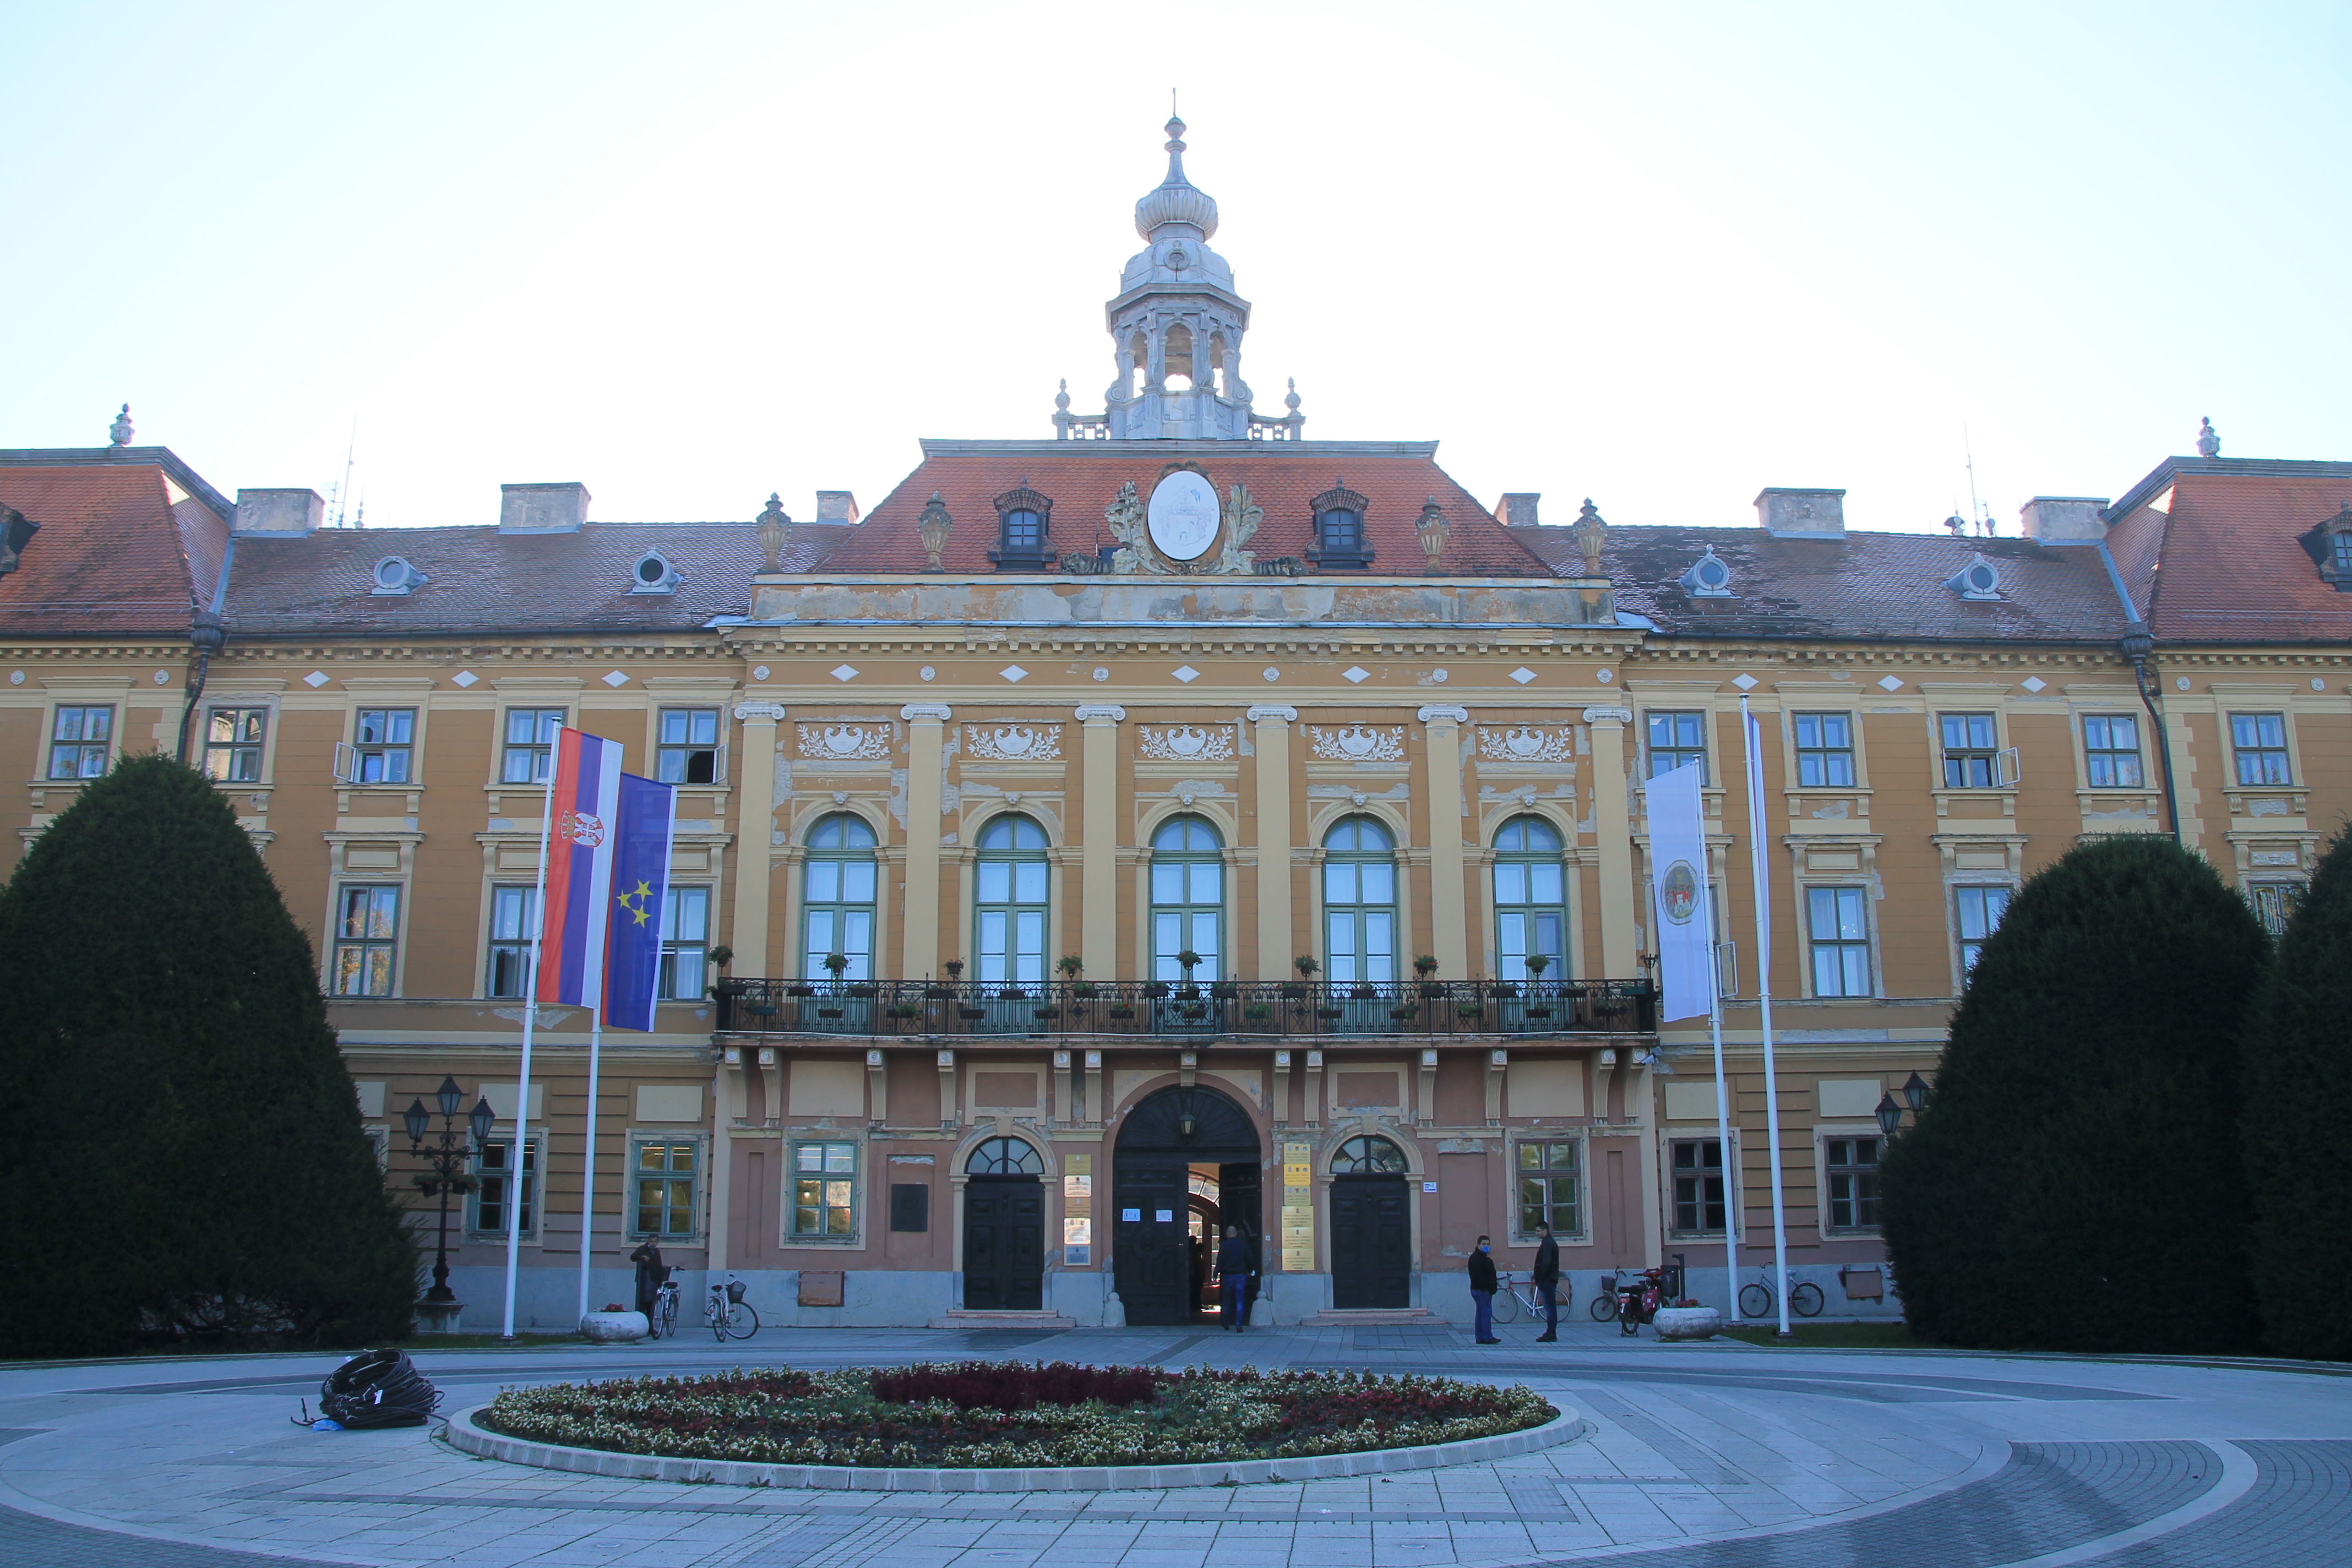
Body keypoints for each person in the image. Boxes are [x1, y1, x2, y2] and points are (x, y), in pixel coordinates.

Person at [1217, 1224, 1254, 1331]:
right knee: (1239, 1300)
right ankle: (1239, 1325)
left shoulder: (1224, 1245)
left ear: (1227, 1234)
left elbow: (1220, 1261)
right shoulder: (1243, 1245)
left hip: (1227, 1276)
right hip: (1240, 1275)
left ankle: (1226, 1323)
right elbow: (1250, 1259)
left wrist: (1215, 1274)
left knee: (1227, 1300)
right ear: (1236, 1233)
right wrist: (1250, 1270)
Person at [1532, 1220, 1561, 1342]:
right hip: (1549, 1279)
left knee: (1550, 1308)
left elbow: (1546, 1263)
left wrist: (1540, 1278)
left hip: (1547, 1280)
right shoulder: (1548, 1242)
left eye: (1539, 1231)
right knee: (1550, 1307)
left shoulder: (1548, 1243)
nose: (1537, 1233)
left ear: (1545, 1231)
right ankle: (1550, 1332)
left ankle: (1551, 1333)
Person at [1468, 1234, 1500, 1343]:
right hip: (1482, 1290)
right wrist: (1487, 1287)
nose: (1486, 1246)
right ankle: (1487, 1336)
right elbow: (1479, 1276)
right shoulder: (1477, 1258)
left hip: (1480, 1289)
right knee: (1486, 1313)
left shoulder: (1484, 1258)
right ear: (1478, 1245)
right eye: (1484, 1244)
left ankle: (1480, 1337)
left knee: (1481, 1313)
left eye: (1488, 1244)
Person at [629, 1238, 667, 1322]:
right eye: (651, 1241)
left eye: (655, 1242)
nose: (653, 1244)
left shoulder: (656, 1251)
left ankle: (650, 1326)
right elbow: (633, 1257)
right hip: (644, 1279)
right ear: (648, 1241)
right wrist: (642, 1257)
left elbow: (659, 1265)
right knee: (643, 1303)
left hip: (654, 1279)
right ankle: (642, 1323)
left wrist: (660, 1281)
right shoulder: (642, 1249)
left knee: (652, 1304)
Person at [1189, 1233, 1210, 1322]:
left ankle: (1196, 1306)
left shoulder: (1192, 1252)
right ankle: (1196, 1306)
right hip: (1194, 1276)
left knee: (1195, 1292)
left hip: (1194, 1275)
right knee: (1195, 1292)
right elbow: (1197, 1265)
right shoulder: (1193, 1253)